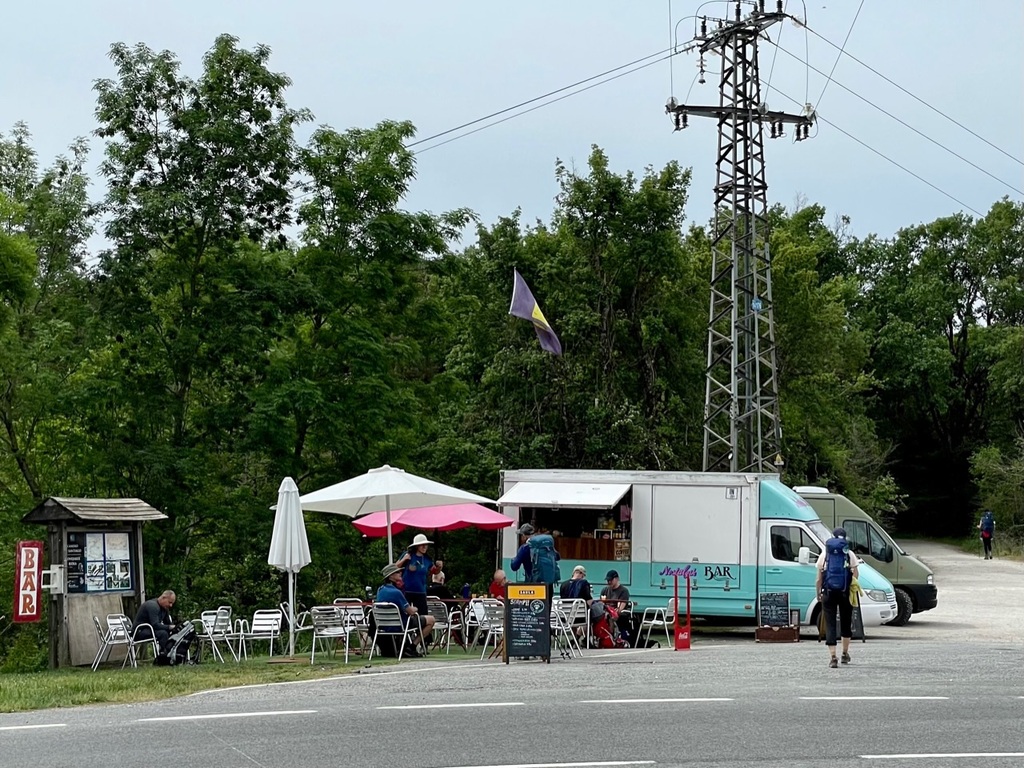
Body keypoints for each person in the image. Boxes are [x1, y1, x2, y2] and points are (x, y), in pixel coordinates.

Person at [816, 527, 860, 668]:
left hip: (828, 593)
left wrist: (818, 593)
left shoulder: (825, 554)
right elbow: (856, 574)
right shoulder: (849, 553)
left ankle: (833, 657)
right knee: (846, 622)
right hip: (845, 592)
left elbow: (819, 578)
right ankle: (845, 654)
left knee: (830, 624)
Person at [377, 562, 435, 657]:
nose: (400, 573)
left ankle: (408, 646)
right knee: (431, 620)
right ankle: (412, 646)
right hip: (401, 624)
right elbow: (411, 611)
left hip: (384, 625)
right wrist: (415, 608)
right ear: (391, 576)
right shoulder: (396, 592)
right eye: (397, 572)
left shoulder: (380, 590)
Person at [397, 533, 440, 618]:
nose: (424, 547)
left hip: (421, 592)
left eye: (426, 545)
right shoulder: (408, 555)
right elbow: (395, 567)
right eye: (422, 545)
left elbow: (434, 571)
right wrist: (404, 559)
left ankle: (421, 631)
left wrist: (439, 567)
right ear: (417, 546)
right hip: (406, 591)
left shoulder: (427, 559)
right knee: (404, 615)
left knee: (423, 616)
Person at [133, 590, 176, 654]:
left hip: (150, 629)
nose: (171, 605)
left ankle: (173, 653)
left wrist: (174, 628)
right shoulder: (152, 606)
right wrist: (169, 627)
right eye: (169, 602)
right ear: (163, 598)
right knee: (163, 633)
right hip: (139, 631)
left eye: (172, 603)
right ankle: (163, 654)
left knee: (170, 632)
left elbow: (168, 623)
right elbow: (155, 624)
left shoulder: (164, 608)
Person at [599, 570, 632, 640]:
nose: (609, 582)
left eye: (611, 580)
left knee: (611, 616)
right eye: (608, 580)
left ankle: (610, 638)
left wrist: (614, 611)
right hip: (605, 611)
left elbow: (620, 608)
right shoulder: (604, 590)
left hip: (616, 613)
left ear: (617, 579)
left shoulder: (624, 591)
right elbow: (601, 603)